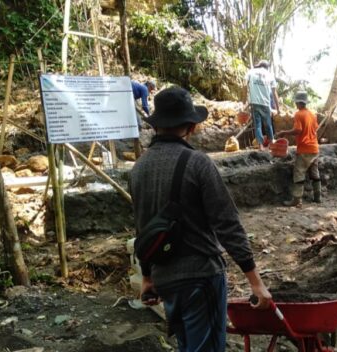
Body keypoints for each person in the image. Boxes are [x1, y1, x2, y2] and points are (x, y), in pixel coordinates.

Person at [130, 87, 272, 351]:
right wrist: (255, 282)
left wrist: (148, 276)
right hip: (200, 278)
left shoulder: (138, 168)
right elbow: (227, 224)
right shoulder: (198, 163)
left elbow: (143, 227)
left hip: (164, 277)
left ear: (157, 126)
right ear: (191, 127)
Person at [276, 91, 320, 207]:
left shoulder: (299, 114)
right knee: (314, 173)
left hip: (305, 149)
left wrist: (284, 132)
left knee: (299, 173)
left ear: (299, 103)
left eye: (296, 103)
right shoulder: (312, 114)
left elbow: (298, 130)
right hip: (315, 148)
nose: (296, 105)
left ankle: (297, 199)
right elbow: (315, 129)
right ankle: (317, 197)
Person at [245, 60, 280, 149]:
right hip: (265, 103)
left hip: (254, 102)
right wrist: (278, 108)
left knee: (258, 124)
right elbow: (274, 92)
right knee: (268, 123)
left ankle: (260, 145)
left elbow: (244, 85)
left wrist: (245, 101)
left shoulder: (251, 72)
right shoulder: (270, 75)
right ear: (267, 67)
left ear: (259, 65)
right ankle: (271, 142)